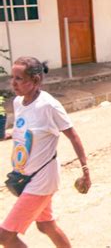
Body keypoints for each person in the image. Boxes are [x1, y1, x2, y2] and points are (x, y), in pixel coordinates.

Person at [0, 57, 91, 248]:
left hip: (41, 180)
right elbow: (28, 131)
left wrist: (85, 171)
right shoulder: (18, 103)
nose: (13, 83)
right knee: (46, 225)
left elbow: (73, 136)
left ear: (36, 80)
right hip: (26, 177)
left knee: (5, 236)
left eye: (19, 78)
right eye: (12, 77)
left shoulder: (49, 105)